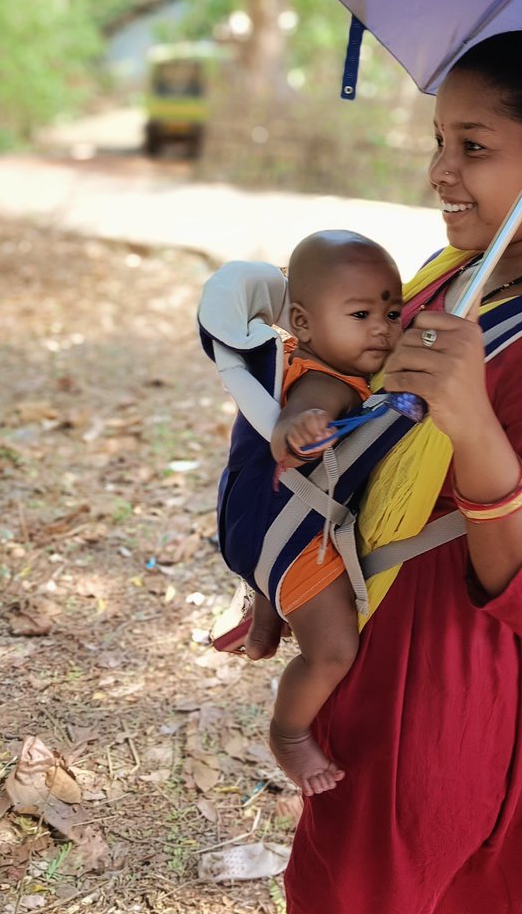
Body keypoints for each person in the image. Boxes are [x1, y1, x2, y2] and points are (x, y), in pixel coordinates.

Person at [283, 31, 522, 914]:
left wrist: (475, 424)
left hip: (452, 699)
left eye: (474, 148)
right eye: (440, 141)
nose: (441, 173)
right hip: (373, 652)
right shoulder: (451, 286)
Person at [234, 230, 403, 796]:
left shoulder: (285, 361)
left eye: (392, 311)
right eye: (360, 313)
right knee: (333, 651)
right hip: (293, 547)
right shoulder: (328, 386)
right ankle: (289, 731)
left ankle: (263, 626)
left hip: (256, 531)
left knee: (283, 561)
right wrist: (299, 430)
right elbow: (298, 420)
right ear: (303, 323)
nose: (382, 326)